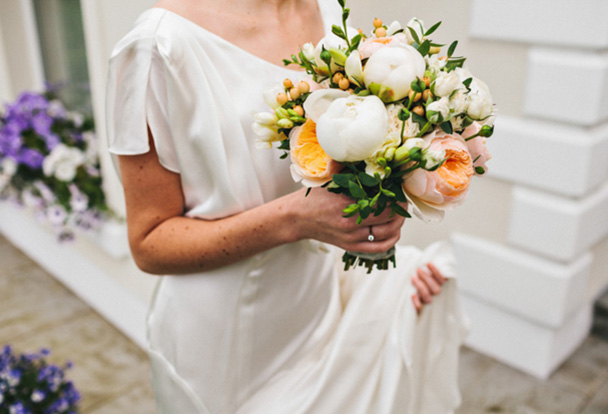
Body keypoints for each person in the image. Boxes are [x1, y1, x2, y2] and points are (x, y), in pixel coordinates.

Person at [106, 0, 468, 412]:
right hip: (227, 346)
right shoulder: (158, 46)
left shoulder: (329, 10)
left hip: (317, 304)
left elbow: (334, 170)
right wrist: (297, 219)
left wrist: (382, 255)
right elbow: (149, 242)